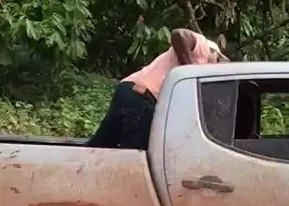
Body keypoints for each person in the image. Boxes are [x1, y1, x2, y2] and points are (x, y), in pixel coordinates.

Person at [87, 29, 226, 150]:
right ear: (217, 55)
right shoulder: (206, 48)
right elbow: (179, 34)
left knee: (101, 145)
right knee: (135, 153)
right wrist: (189, 70)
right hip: (141, 95)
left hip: (129, 88)